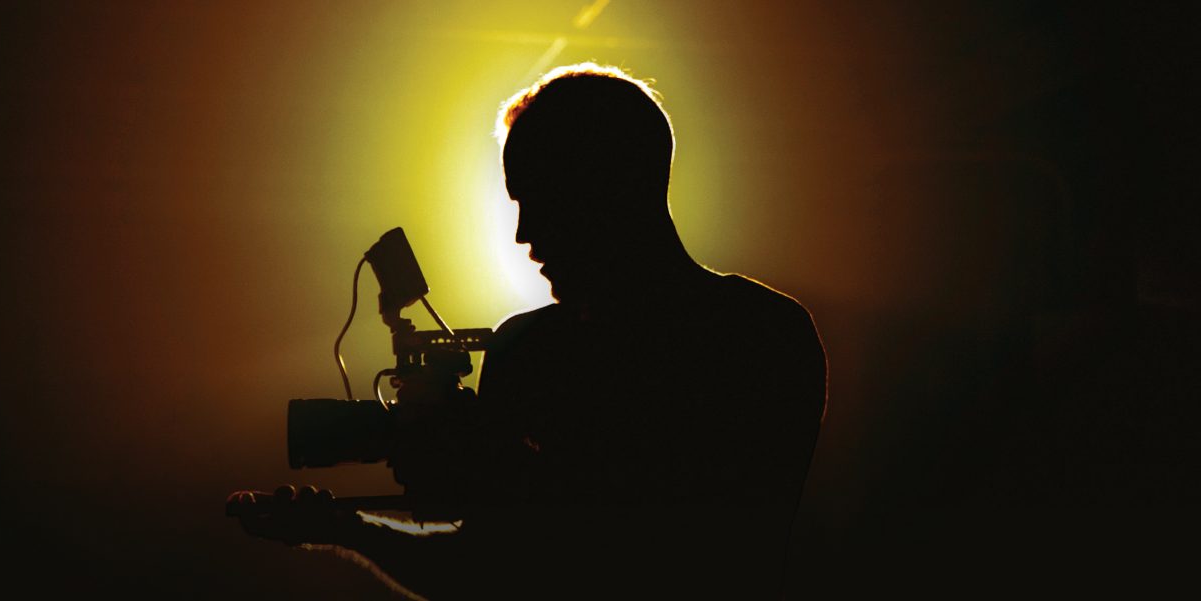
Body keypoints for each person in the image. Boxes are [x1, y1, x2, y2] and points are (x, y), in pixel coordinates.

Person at [229, 63, 827, 600]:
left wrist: (491, 463)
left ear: (613, 186)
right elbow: (487, 567)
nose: (523, 234)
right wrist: (348, 529)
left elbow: (680, 545)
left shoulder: (760, 339)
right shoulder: (529, 348)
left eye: (540, 198)